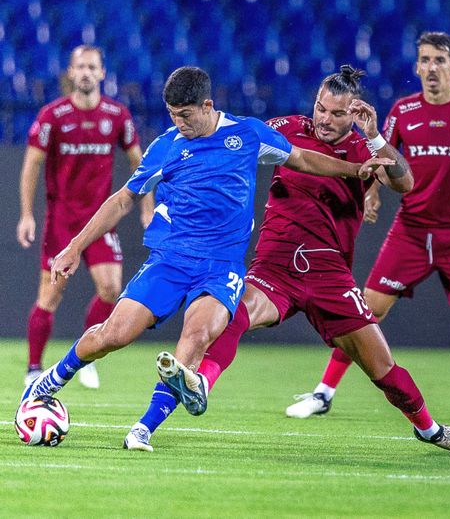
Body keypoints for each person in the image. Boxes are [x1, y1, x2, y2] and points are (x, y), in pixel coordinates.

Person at [123, 65, 450, 455]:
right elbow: (230, 140)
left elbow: (405, 182)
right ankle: (193, 390)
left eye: (335, 113)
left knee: (382, 368)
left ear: (355, 113)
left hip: (331, 275)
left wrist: (376, 136)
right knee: (231, 315)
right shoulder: (286, 127)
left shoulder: (367, 148)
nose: (324, 119)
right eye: (320, 108)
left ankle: (430, 430)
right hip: (275, 265)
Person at [20, 66, 387, 421]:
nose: (179, 122)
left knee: (194, 341)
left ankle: (144, 427)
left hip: (220, 267)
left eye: (185, 115)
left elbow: (303, 158)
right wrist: (75, 246)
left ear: (207, 106)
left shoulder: (247, 134)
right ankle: (51, 379)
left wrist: (354, 170)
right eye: (172, 115)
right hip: (171, 261)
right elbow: (122, 199)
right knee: (114, 335)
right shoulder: (166, 146)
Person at [285, 32, 450, 427]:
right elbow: (379, 156)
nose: (431, 67)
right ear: (417, 67)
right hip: (411, 231)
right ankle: (324, 393)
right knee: (366, 313)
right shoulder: (402, 111)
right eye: (424, 60)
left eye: (439, 60)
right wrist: (371, 195)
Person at [17, 45, 153, 389]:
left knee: (111, 289)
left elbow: (140, 163)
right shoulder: (53, 115)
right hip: (62, 220)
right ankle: (34, 368)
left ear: (103, 73)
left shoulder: (117, 116)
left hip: (99, 221)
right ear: (71, 72)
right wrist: (26, 214)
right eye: (81, 67)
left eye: (93, 67)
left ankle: (84, 355)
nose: (87, 73)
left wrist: (147, 207)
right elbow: (31, 164)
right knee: (50, 295)